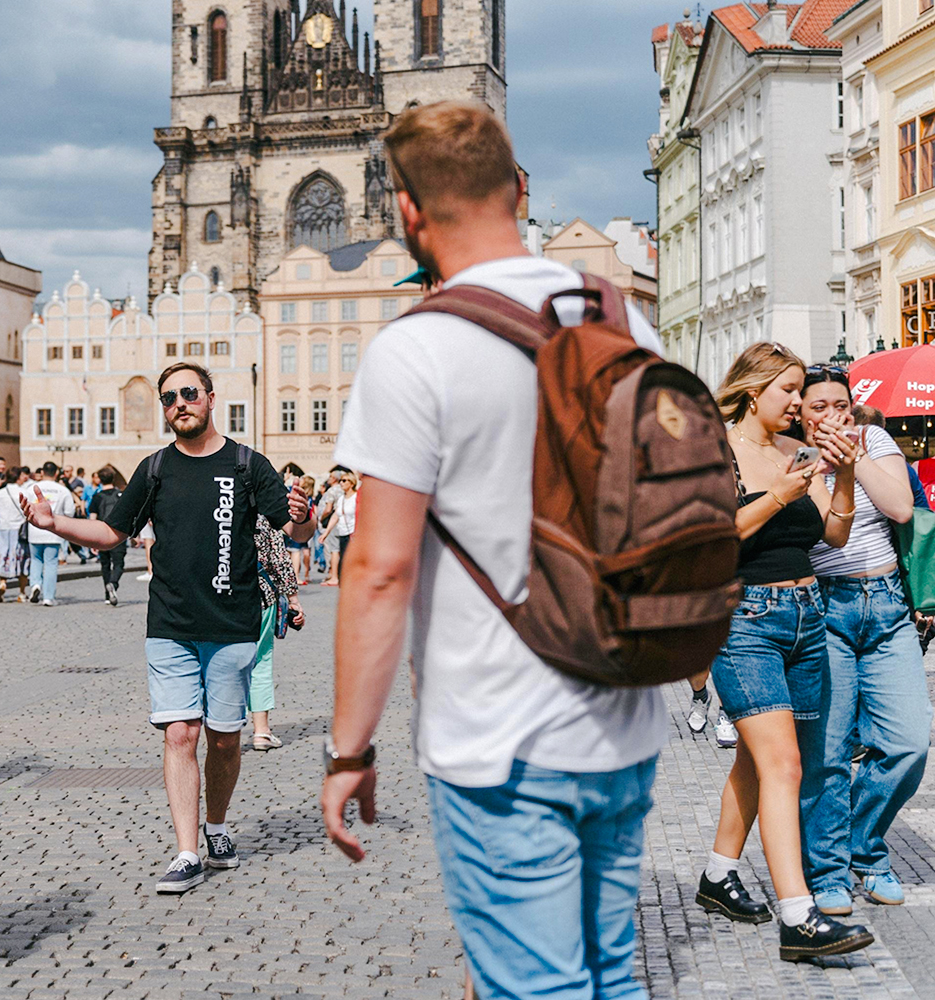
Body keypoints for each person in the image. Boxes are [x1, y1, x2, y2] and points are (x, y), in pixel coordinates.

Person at [319, 102, 675, 996]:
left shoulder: (420, 349)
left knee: (540, 988)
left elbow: (381, 569)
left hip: (499, 734)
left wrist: (350, 752)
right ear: (515, 188)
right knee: (610, 977)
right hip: (622, 715)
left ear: (407, 211)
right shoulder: (618, 317)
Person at [22, 361, 314, 893]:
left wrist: (304, 513)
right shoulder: (155, 469)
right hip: (170, 626)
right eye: (168, 397)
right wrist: (55, 522)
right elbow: (112, 533)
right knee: (181, 734)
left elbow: (293, 526)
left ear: (209, 398)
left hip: (232, 626)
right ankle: (186, 851)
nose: (179, 403)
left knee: (225, 742)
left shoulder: (248, 464)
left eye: (188, 393)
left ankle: (217, 824)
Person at [694, 342, 872, 961]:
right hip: (744, 620)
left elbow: (835, 532)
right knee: (786, 766)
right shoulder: (715, 448)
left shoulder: (799, 454)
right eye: (789, 390)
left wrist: (842, 472)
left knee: (756, 757)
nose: (799, 403)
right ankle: (800, 917)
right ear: (752, 392)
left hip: (807, 617)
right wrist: (778, 497)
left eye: (800, 391)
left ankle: (717, 876)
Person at [795, 367, 933, 916]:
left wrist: (855, 458)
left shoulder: (873, 440)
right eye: (820, 407)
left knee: (908, 743)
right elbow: (817, 531)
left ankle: (864, 845)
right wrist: (823, 469)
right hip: (825, 608)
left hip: (887, 608)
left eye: (841, 405)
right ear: (800, 414)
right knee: (828, 754)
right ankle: (830, 870)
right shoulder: (792, 456)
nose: (833, 416)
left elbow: (901, 508)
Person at [249, 514, 304, 751]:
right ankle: (261, 731)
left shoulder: (215, 505)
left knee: (220, 660)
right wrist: (294, 600)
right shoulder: (263, 516)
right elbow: (280, 560)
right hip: (260, 596)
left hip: (218, 597)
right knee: (260, 661)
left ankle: (221, 727)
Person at [22, 462, 76, 605]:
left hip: (34, 530)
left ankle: (35, 584)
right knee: (51, 563)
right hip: (53, 530)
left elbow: (23, 508)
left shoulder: (30, 488)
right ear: (57, 473)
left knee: (36, 560)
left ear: (42, 471)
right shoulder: (62, 490)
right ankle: (48, 597)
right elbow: (70, 512)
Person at [89, 465, 128, 605]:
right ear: (114, 478)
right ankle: (113, 583)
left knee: (105, 565)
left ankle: (107, 595)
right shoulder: (121, 495)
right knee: (118, 564)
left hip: (101, 534)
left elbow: (92, 518)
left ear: (99, 480)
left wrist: (91, 540)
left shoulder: (97, 497)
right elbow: (128, 515)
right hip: (118, 534)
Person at [0, 468, 30, 602]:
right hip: (18, 530)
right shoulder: (23, 492)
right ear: (18, 477)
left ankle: (2, 583)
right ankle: (22, 592)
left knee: (4, 556)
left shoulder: (1, 493)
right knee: (21, 558)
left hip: (3, 529)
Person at [289, 475, 316, 585]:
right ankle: (304, 574)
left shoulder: (300, 495)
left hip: (298, 524)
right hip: (305, 525)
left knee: (295, 551)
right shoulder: (309, 497)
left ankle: (295, 576)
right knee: (304, 551)